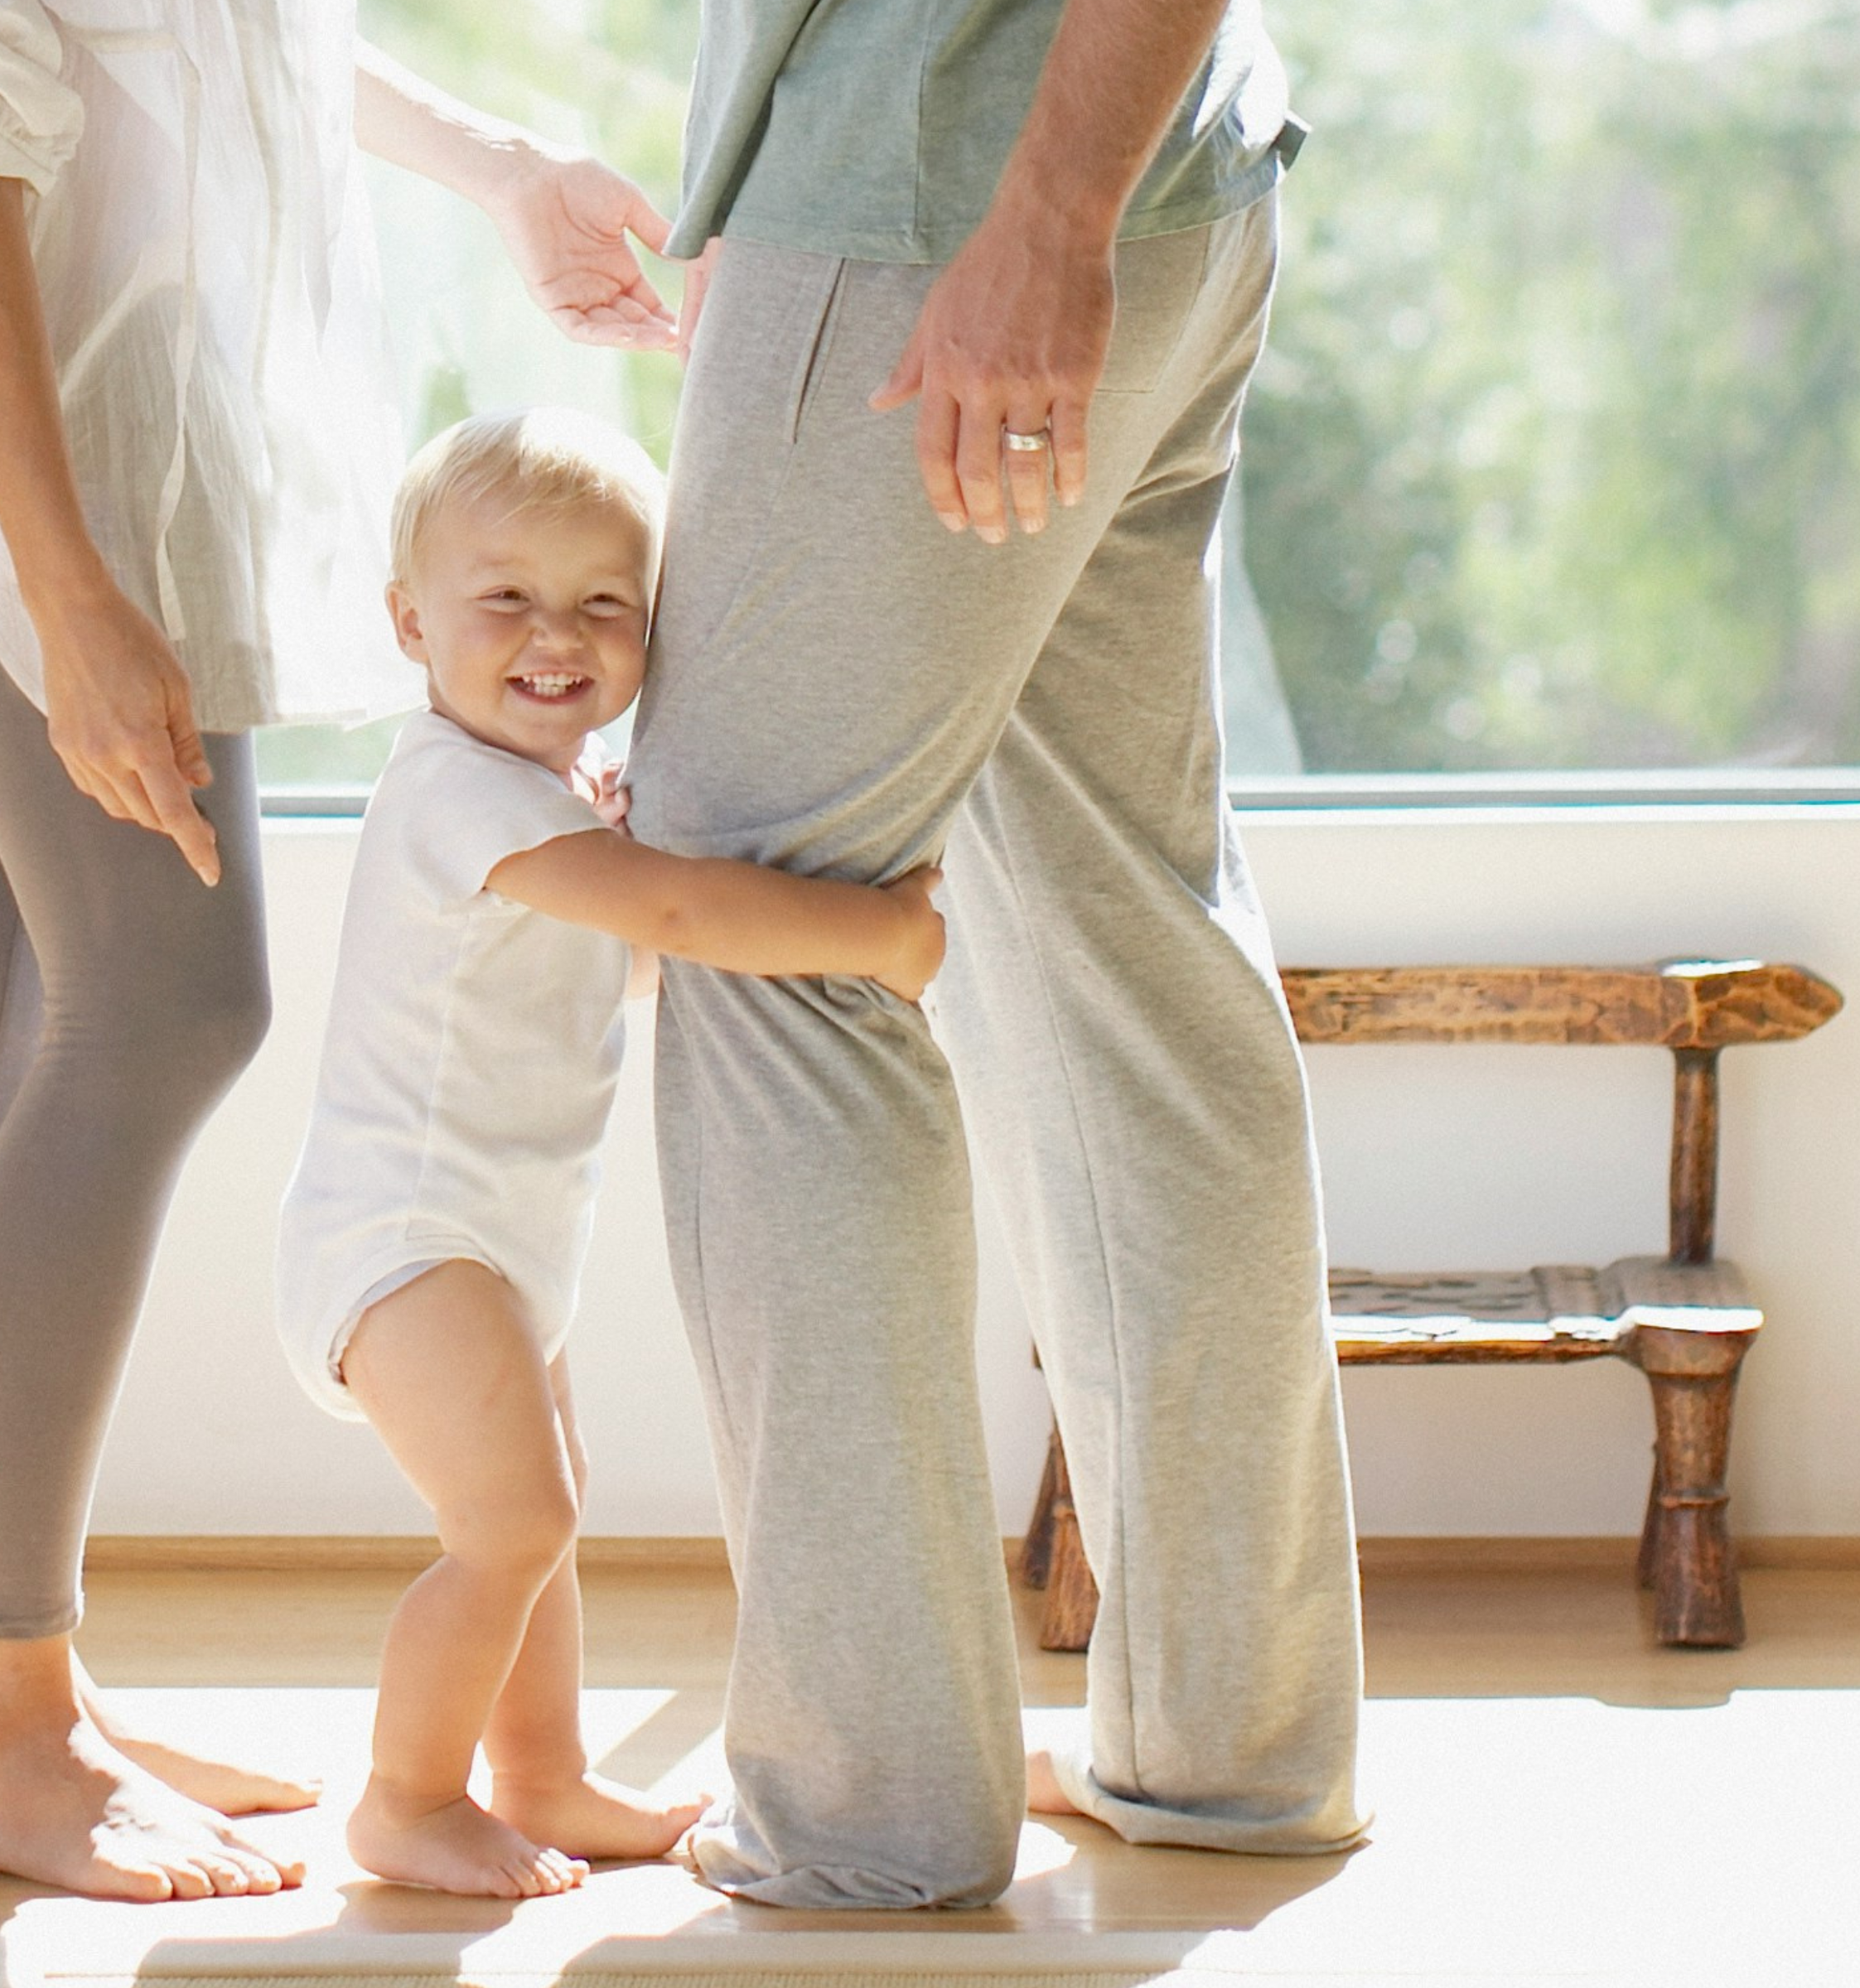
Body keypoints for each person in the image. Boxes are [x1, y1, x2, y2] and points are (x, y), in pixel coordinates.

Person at [0, 0, 691, 1905]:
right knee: (158, 1006)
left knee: (7, 998)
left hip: (118, 367)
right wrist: (64, 580)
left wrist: (506, 169)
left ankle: (4, 1690)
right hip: (47, 387)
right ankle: (5, 1727)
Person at [621, 0, 1370, 1910]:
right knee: (1131, 951)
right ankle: (1236, 1758)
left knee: (761, 932)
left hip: (948, 200)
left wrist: (1039, 217)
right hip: (1137, 186)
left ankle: (871, 1814)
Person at [273, 409, 945, 1898]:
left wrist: (630, 872)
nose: (553, 637)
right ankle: (405, 1800)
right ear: (409, 624)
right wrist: (878, 935)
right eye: (503, 599)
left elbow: (617, 967)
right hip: (406, 1237)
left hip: (494, 1238)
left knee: (545, 1510)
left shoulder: (543, 805)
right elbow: (687, 922)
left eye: (604, 606)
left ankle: (540, 1777)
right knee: (509, 1521)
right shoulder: (457, 792)